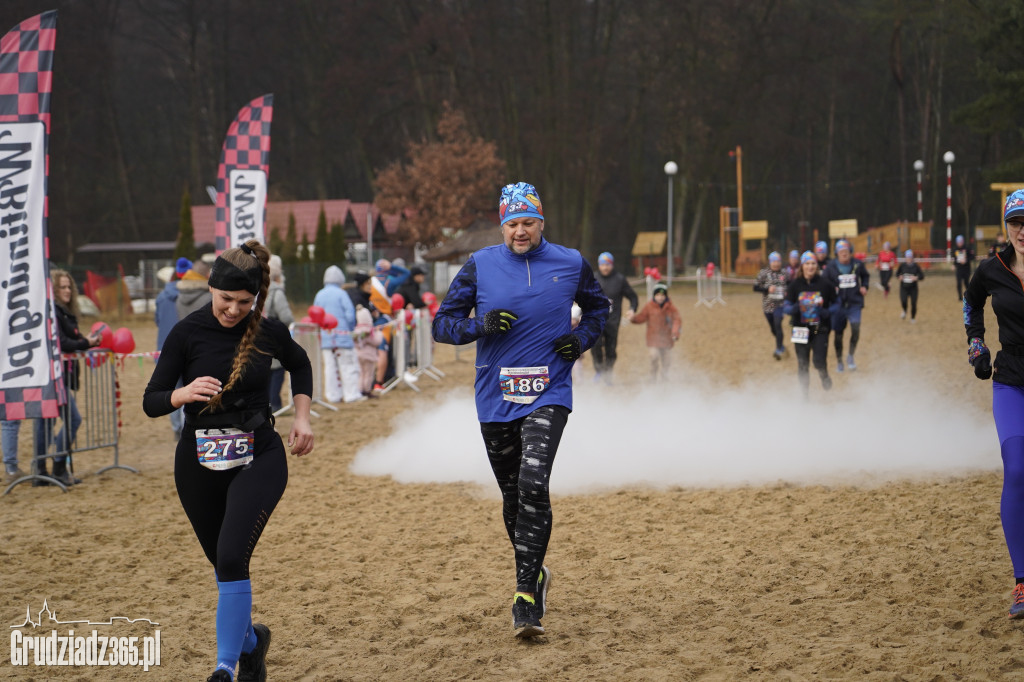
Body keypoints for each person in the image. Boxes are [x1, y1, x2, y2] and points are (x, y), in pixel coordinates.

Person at [431, 181, 608, 638]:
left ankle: (524, 595)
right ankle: (537, 571)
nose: (520, 231)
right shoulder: (480, 264)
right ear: (502, 225)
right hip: (495, 396)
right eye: (512, 223)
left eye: (529, 222)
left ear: (541, 221)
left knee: (533, 482)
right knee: (513, 498)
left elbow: (598, 309)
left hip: (549, 390)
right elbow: (442, 325)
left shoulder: (570, 263)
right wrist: (478, 325)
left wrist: (581, 340)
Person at [142, 240, 314, 681]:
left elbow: (300, 363)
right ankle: (252, 643)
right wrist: (180, 394)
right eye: (225, 300)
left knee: (234, 556)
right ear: (211, 289)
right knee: (222, 563)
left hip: (259, 453)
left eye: (243, 302)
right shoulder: (186, 332)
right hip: (197, 460)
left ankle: (225, 667)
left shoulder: (269, 330)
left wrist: (302, 418)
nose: (233, 310)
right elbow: (152, 401)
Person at [962, 188, 1024, 619]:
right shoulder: (991, 269)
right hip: (1011, 384)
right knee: (1018, 469)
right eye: (1017, 222)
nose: (1023, 230)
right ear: (1007, 224)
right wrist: (976, 345)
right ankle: (1023, 582)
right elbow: (971, 304)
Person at [34, 269, 102, 486]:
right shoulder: (52, 311)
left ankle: (41, 470)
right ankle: (58, 466)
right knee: (72, 419)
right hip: (52, 376)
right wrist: (86, 343)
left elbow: (69, 339)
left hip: (58, 375)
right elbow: (61, 342)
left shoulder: (63, 311)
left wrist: (87, 340)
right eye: (61, 287)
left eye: (69, 286)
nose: (67, 291)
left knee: (45, 422)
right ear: (52, 290)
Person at [783, 251, 836, 399]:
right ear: (802, 266)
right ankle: (804, 396)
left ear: (817, 266)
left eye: (813, 263)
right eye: (807, 263)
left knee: (818, 361)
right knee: (802, 364)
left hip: (820, 328)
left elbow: (837, 304)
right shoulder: (794, 285)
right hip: (800, 329)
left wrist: (826, 311)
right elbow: (786, 306)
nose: (810, 266)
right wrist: (795, 308)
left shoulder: (825, 284)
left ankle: (823, 374)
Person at [313, 266, 364, 404]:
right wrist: (350, 328)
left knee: (330, 368)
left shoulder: (319, 295)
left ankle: (333, 395)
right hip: (343, 338)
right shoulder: (342, 294)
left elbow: (315, 314)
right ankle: (351, 394)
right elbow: (350, 314)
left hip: (325, 339)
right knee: (347, 366)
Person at [823, 239, 869, 372]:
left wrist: (864, 286)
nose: (844, 254)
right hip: (838, 306)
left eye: (846, 251)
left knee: (856, 329)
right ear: (837, 253)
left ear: (850, 252)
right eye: (841, 251)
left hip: (854, 303)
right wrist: (831, 292)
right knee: (838, 334)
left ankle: (850, 356)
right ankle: (839, 361)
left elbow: (865, 276)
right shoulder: (831, 267)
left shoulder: (857, 264)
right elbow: (824, 283)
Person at [591, 251, 638, 383]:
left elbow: (633, 296)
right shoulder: (592, 278)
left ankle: (608, 373)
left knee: (611, 349)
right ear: (599, 265)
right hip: (596, 320)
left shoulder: (620, 279)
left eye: (608, 264)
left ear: (612, 265)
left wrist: (632, 309)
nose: (605, 267)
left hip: (613, 320)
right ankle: (599, 371)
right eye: (602, 264)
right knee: (596, 346)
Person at [627, 281, 682, 381]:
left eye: (662, 295)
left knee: (667, 361)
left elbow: (677, 321)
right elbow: (641, 317)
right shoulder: (649, 306)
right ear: (654, 296)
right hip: (653, 339)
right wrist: (633, 318)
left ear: (666, 296)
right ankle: (652, 377)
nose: (660, 297)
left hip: (667, 339)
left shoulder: (671, 308)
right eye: (657, 295)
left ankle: (664, 376)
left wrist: (675, 333)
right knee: (654, 357)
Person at [155, 265, 183, 439]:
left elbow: (157, 320)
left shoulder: (160, 297)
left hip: (164, 350)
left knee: (173, 392)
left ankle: (176, 428)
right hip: (185, 348)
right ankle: (184, 427)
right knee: (187, 389)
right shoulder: (185, 296)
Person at [264, 255, 295, 412]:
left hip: (260, 336)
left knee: (266, 372)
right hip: (274, 338)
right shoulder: (277, 292)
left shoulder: (257, 290)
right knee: (277, 370)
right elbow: (286, 317)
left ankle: (268, 404)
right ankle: (275, 404)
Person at [752, 251, 788, 360]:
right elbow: (755, 288)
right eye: (774, 262)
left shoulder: (785, 273)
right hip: (767, 306)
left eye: (778, 261)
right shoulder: (763, 273)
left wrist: (788, 292)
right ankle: (781, 344)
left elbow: (791, 284)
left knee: (778, 324)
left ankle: (778, 349)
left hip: (780, 304)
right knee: (773, 329)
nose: (776, 264)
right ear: (770, 262)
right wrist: (767, 289)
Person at [354, 306, 384, 397]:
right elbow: (376, 341)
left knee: (361, 374)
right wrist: (379, 332)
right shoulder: (369, 330)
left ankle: (360, 390)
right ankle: (366, 390)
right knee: (368, 374)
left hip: (358, 355)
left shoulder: (357, 330)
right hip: (369, 356)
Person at [896, 249, 924, 322]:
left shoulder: (916, 266)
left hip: (913, 288)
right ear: (905, 258)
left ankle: (912, 318)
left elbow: (922, 276)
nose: (909, 259)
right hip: (904, 287)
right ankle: (904, 311)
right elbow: (897, 274)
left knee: (913, 303)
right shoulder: (902, 266)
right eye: (907, 257)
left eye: (910, 257)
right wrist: (900, 277)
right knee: (903, 301)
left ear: (912, 258)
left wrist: (916, 278)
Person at [954, 234, 975, 301]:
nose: (959, 243)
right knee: (958, 283)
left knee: (966, 283)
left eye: (960, 242)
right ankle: (960, 297)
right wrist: (954, 265)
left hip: (966, 269)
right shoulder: (955, 250)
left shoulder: (967, 248)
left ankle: (968, 296)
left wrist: (966, 260)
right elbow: (955, 259)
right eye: (958, 242)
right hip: (959, 269)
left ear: (963, 241)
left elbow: (972, 256)